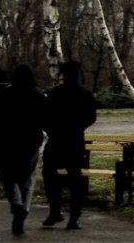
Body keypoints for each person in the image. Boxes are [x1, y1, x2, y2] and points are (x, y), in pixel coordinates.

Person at [0, 65, 46, 236]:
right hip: (30, 143)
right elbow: (45, 119)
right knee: (27, 180)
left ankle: (17, 205)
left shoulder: (5, 94)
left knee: (9, 177)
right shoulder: (38, 95)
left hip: (7, 143)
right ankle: (22, 211)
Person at [41, 61, 97, 230]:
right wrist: (77, 128)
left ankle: (55, 211)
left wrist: (51, 130)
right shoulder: (85, 94)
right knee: (76, 180)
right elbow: (91, 118)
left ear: (62, 74)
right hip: (75, 141)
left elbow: (44, 116)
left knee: (49, 175)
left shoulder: (54, 93)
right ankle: (74, 217)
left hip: (56, 140)